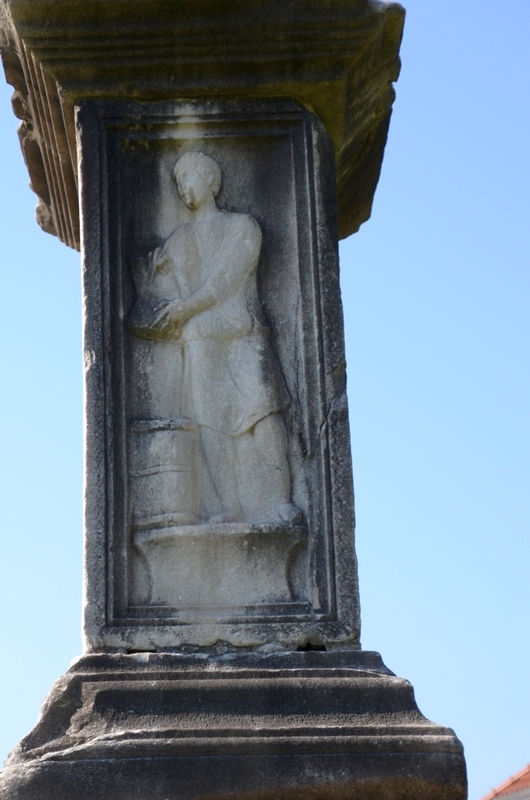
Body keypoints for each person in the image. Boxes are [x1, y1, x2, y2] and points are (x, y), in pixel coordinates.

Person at [130, 151, 301, 525]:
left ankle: (280, 502)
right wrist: (151, 280)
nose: (183, 188)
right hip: (201, 339)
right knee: (208, 421)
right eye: (178, 183)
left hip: (244, 333)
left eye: (189, 178)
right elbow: (159, 303)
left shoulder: (243, 227)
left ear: (211, 179)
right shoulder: (178, 241)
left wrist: (186, 307)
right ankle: (229, 505)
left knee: (264, 413)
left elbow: (225, 280)